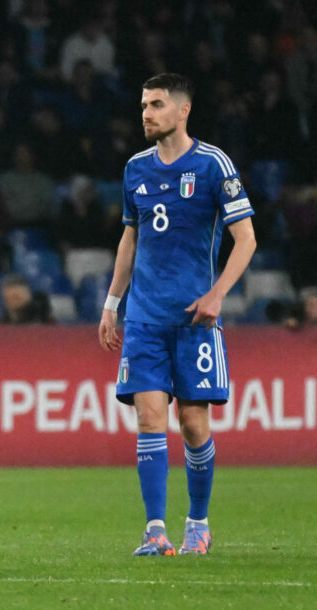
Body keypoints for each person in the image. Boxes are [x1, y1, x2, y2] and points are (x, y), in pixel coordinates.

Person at [98, 73, 256, 556]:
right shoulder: (135, 169)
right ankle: (154, 530)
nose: (146, 113)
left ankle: (198, 523)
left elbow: (246, 239)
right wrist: (111, 302)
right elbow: (130, 237)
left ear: (183, 111)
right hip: (145, 316)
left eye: (157, 104)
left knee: (192, 425)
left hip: (194, 319)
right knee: (149, 418)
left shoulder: (213, 165)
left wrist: (216, 295)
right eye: (144, 104)